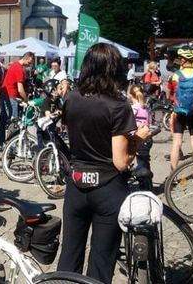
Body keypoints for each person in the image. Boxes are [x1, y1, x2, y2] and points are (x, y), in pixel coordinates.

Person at [57, 43, 150, 284]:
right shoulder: (118, 106)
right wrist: (138, 140)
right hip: (107, 188)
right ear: (115, 70)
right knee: (100, 261)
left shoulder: (72, 98)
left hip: (76, 186)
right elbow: (121, 162)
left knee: (69, 256)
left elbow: (76, 133)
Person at [166, 47, 193, 185]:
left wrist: (174, 101)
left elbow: (169, 94)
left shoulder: (175, 75)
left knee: (176, 143)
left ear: (183, 60)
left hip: (178, 113)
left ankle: (174, 176)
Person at [0, 51, 35, 149]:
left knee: (3, 118)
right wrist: (26, 100)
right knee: (14, 121)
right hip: (11, 96)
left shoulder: (14, 64)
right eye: (30, 62)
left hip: (5, 94)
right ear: (26, 58)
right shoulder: (19, 69)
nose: (29, 64)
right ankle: (11, 145)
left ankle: (1, 142)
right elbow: (20, 89)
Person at [127, 84, 152, 172]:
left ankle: (143, 182)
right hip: (148, 138)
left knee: (140, 162)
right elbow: (149, 122)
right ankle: (148, 183)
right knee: (145, 161)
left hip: (138, 137)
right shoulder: (146, 107)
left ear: (130, 95)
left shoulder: (134, 108)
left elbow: (128, 122)